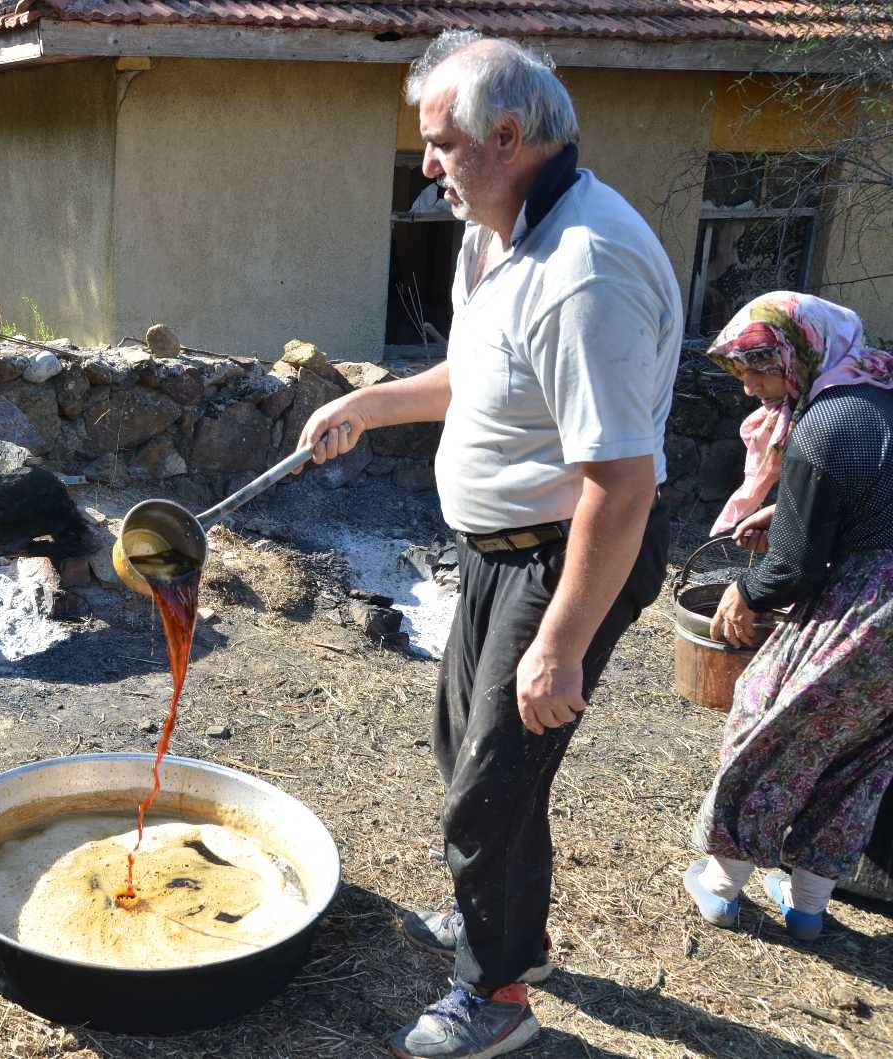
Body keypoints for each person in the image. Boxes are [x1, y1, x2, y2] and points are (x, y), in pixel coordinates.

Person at [297, 31, 679, 1058]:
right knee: (475, 757)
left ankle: (493, 996)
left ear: (507, 137)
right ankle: (516, 933)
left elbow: (622, 481)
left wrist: (559, 643)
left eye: (439, 143)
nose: (425, 164)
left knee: (489, 785)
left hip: (567, 557)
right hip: (494, 550)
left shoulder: (584, 270)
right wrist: (369, 408)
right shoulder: (494, 234)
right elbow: (476, 378)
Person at [682, 292, 893, 942]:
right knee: (855, 759)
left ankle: (719, 888)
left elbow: (795, 569)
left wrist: (745, 591)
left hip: (866, 615)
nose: (749, 386)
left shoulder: (822, 428)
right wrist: (793, 508)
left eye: (759, 368)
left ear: (800, 355)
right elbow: (868, 495)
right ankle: (807, 905)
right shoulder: (874, 394)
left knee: (767, 730)